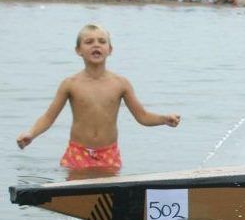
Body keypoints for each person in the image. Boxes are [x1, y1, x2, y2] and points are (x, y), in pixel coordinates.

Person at [16, 24, 180, 174]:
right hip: (77, 153)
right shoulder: (70, 84)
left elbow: (142, 116)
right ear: (78, 50)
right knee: (76, 201)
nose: (96, 45)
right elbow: (48, 117)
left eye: (102, 41)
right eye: (89, 42)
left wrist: (163, 119)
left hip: (108, 153)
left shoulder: (120, 84)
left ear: (110, 49)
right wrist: (31, 134)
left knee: (108, 201)